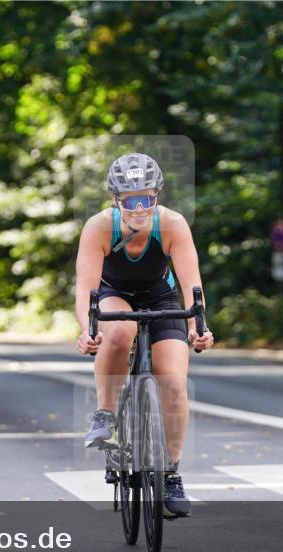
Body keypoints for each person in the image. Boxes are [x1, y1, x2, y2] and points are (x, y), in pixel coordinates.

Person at [74, 152, 214, 518]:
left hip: (160, 294)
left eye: (147, 198)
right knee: (120, 331)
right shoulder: (98, 227)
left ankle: (170, 473)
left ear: (157, 196)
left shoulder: (172, 224)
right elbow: (85, 290)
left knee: (173, 383)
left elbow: (191, 284)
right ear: (116, 200)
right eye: (131, 200)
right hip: (112, 294)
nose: (139, 208)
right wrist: (88, 330)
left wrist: (198, 327)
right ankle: (105, 414)